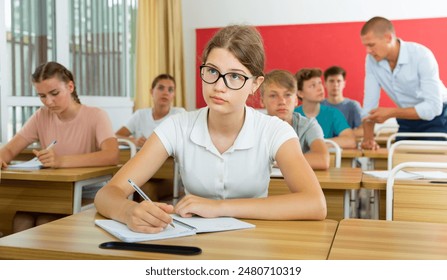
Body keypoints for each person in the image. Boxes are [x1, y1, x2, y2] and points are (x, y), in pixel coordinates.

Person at [95, 25, 327, 234]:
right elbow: (108, 193)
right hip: (193, 241)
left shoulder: (274, 130)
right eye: (212, 71)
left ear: (255, 84)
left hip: (255, 241)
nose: (218, 86)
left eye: (234, 76)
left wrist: (218, 207)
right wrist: (128, 212)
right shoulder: (178, 125)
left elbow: (315, 204)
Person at [0, 61, 119, 232]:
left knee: (45, 220)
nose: (48, 102)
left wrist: (61, 161)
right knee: (21, 218)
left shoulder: (96, 115)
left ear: (70, 86)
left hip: (86, 191)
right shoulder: (41, 116)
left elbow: (111, 155)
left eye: (54, 93)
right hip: (51, 191)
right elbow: (10, 149)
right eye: (42, 96)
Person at [360, 16, 447, 150]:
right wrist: (368, 138)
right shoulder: (371, 60)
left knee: (431, 163)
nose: (368, 51)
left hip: (438, 117)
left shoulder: (422, 55)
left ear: (388, 38)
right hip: (406, 118)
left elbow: (434, 107)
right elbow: (369, 105)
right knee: (399, 161)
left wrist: (391, 113)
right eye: (365, 46)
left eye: (371, 45)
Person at [260, 69, 329, 170]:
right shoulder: (254, 125)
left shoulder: (308, 125)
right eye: (273, 96)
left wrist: (274, 161)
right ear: (262, 101)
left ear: (296, 100)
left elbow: (322, 160)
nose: (282, 101)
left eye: (287, 95)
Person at [115, 74, 186, 148]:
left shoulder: (179, 114)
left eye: (170, 90)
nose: (166, 93)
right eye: (161, 88)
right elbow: (115, 137)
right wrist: (133, 141)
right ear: (151, 91)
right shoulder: (140, 115)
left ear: (174, 95)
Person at [294, 68, 357, 149]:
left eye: (320, 83)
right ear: (300, 93)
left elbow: (350, 141)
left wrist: (315, 144)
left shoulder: (333, 113)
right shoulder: (292, 115)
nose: (320, 88)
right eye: (313, 85)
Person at [322, 66, 363, 138]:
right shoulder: (318, 105)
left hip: (347, 146)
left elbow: (363, 130)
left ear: (344, 83)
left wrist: (343, 133)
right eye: (331, 81)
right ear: (325, 83)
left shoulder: (353, 105)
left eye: (338, 81)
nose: (335, 85)